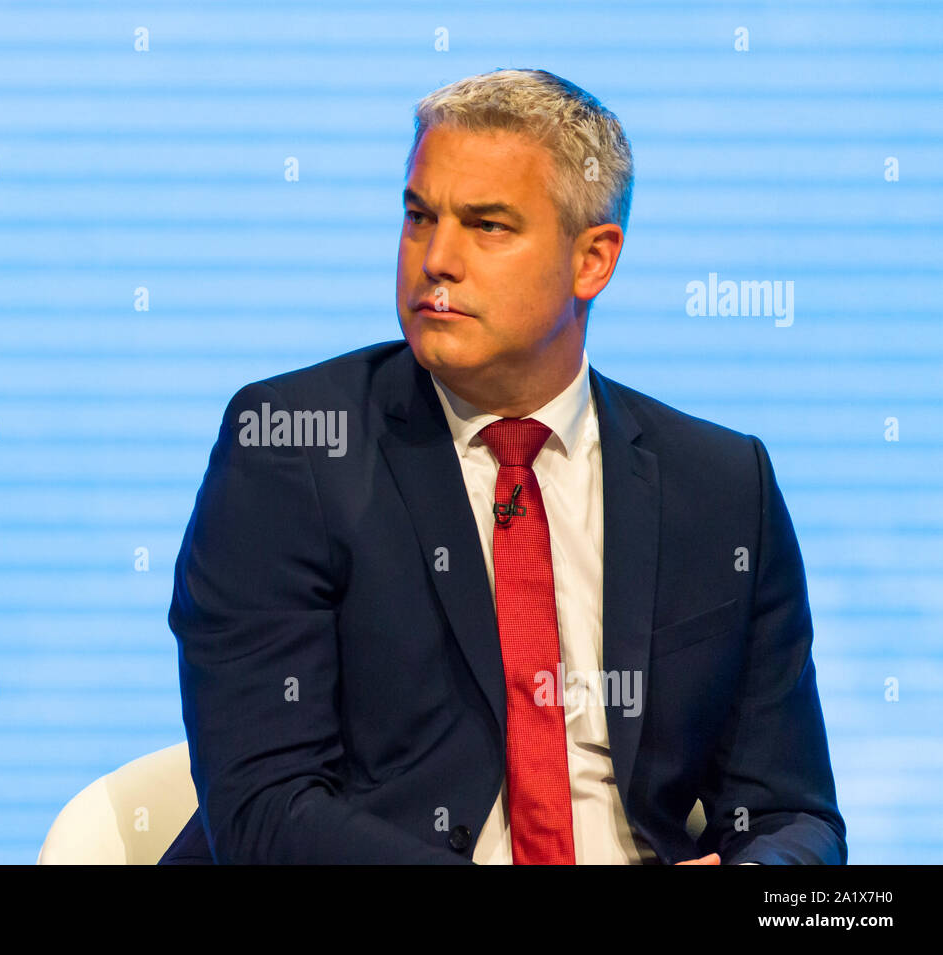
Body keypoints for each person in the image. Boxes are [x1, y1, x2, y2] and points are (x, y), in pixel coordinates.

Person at [158, 69, 846, 865]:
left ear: (593, 260)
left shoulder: (724, 487)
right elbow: (267, 812)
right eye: (419, 216)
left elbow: (795, 813)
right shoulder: (289, 448)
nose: (436, 259)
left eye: (487, 226)